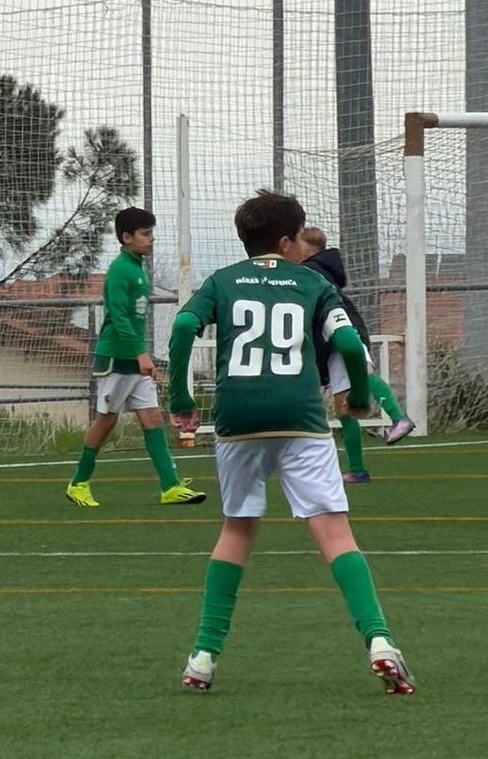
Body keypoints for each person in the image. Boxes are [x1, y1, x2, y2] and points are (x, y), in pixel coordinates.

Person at [168, 191, 413, 695]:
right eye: (301, 237)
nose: (304, 245)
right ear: (286, 241)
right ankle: (379, 642)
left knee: (236, 531)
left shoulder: (222, 281)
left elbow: (184, 325)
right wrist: (359, 397)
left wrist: (181, 398)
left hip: (238, 419)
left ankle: (203, 657)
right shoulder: (312, 283)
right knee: (334, 535)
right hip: (299, 418)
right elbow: (348, 345)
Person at [66, 207, 207, 508]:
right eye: (145, 234)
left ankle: (169, 486)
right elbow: (117, 316)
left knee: (152, 419)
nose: (151, 239)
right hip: (116, 359)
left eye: (151, 233)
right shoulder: (120, 269)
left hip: (134, 358)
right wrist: (141, 353)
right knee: (106, 421)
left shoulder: (138, 267)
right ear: (126, 237)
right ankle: (78, 482)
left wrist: (142, 354)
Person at [298, 226, 416, 484]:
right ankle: (357, 469)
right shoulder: (320, 269)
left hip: (344, 331)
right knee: (343, 408)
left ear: (308, 250)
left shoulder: (311, 270)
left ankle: (399, 417)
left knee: (363, 371)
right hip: (331, 341)